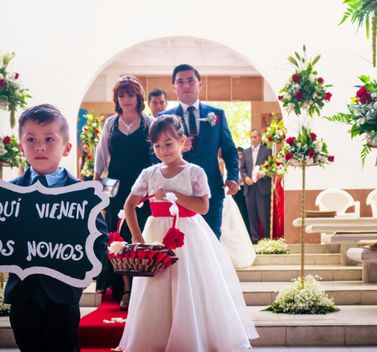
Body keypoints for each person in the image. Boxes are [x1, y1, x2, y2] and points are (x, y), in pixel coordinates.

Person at [0, 104, 109, 352]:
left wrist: (84, 276)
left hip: (63, 294)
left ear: (67, 147)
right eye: (31, 139)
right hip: (23, 295)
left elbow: (100, 239)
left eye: (49, 139)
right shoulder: (6, 193)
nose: (40, 146)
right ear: (21, 146)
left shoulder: (83, 194)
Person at [118, 115, 257, 351]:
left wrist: (174, 194)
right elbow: (129, 204)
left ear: (182, 141)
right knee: (157, 285)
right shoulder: (149, 173)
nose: (163, 150)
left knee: (188, 282)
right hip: (156, 235)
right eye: (157, 145)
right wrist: (138, 238)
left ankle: (193, 337)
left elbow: (203, 207)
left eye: (169, 144)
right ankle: (155, 339)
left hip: (188, 234)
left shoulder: (195, 172)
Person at [159, 64, 238, 238]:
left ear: (199, 84)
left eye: (190, 81)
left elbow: (229, 150)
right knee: (180, 241)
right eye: (180, 82)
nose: (186, 86)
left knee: (212, 239)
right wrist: (175, 151)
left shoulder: (216, 114)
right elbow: (153, 154)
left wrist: (233, 176)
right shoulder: (164, 118)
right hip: (177, 190)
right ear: (174, 87)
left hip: (211, 189)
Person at [93, 75, 152, 308]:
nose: (126, 99)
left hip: (142, 186)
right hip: (115, 184)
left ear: (138, 97)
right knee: (118, 235)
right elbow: (101, 156)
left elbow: (157, 156)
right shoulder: (111, 123)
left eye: (130, 94)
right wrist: (97, 184)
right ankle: (125, 289)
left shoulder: (149, 122)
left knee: (140, 233)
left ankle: (143, 286)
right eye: (122, 95)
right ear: (117, 99)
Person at [218, 150, 256, 268]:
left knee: (228, 222)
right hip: (219, 192)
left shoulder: (220, 162)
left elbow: (221, 175)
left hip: (219, 190)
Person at [240, 128, 272, 243]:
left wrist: (263, 174)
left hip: (262, 187)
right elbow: (242, 168)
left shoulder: (267, 150)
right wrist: (245, 177)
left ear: (260, 138)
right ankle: (255, 241)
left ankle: (267, 241)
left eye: (255, 137)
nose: (253, 139)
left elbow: (271, 168)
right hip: (249, 188)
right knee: (252, 216)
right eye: (251, 137)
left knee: (264, 216)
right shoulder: (245, 152)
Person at [234, 146, 252, 235]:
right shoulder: (234, 163)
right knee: (239, 212)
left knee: (246, 212)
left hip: (246, 189)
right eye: (238, 155)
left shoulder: (247, 163)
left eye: (241, 154)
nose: (239, 156)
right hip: (237, 191)